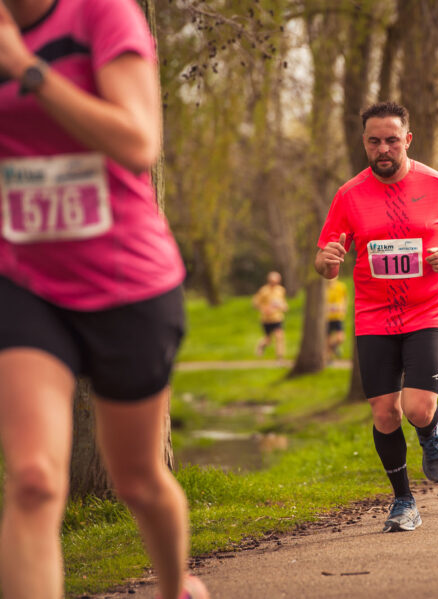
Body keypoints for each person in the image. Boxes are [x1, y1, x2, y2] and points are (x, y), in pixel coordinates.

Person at [0, 0, 208, 597]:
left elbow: (138, 141)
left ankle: (175, 585)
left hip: (127, 281)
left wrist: (26, 69)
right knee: (35, 479)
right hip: (25, 281)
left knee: (137, 478)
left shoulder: (100, 14)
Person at [315, 102, 438, 532]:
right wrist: (328, 260)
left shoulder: (437, 183)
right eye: (374, 141)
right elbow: (324, 259)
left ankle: (431, 432)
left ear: (407, 140)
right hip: (373, 315)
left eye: (392, 139)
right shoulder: (349, 194)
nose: (383, 148)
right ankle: (404, 501)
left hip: (427, 311)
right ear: (364, 144)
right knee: (384, 414)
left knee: (417, 407)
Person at [252, 271, 288, 359]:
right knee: (268, 340)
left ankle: (280, 357)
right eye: (272, 281)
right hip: (266, 319)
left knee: (279, 336)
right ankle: (261, 345)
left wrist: (283, 306)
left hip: (277, 318)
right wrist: (264, 309)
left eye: (276, 281)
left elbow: (283, 303)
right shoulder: (264, 290)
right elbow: (255, 302)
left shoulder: (281, 290)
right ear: (269, 280)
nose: (274, 283)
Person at [325, 277, 348, 360]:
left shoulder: (341, 286)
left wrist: (344, 308)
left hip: (338, 316)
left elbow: (345, 298)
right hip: (327, 317)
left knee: (340, 337)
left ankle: (333, 347)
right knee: (327, 338)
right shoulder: (324, 288)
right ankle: (328, 358)